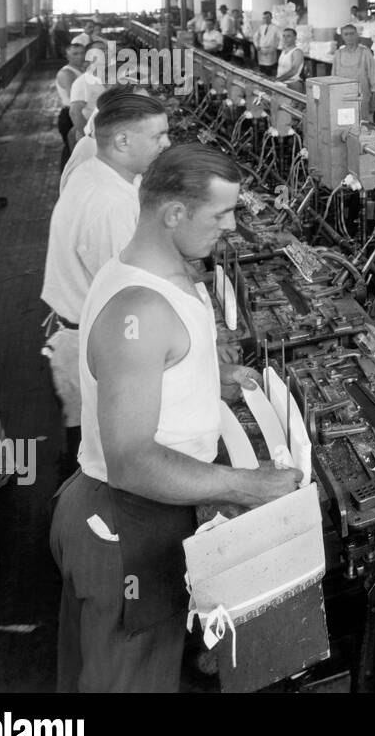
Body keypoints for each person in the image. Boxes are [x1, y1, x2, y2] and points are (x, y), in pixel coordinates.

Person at [49, 144, 300, 693]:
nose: (231, 227)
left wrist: (209, 378)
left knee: (143, 663)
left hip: (150, 514)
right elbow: (133, 461)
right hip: (122, 526)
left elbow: (153, 375)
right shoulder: (140, 309)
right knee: (126, 680)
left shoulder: (154, 275)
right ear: (174, 213)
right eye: (221, 214)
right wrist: (248, 486)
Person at [41, 93, 171, 446]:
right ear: (123, 140)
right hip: (94, 346)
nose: (167, 143)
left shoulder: (99, 174)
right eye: (158, 136)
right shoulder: (109, 204)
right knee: (100, 452)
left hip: (83, 330)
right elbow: (131, 299)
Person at [332, 24, 375, 120]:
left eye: (352, 34)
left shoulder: (365, 53)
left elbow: (374, 75)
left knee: (362, 124)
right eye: (346, 34)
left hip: (362, 97)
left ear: (357, 35)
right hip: (342, 97)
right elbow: (333, 77)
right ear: (342, 37)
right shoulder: (338, 54)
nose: (349, 37)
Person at [66, 44, 109, 145]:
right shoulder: (83, 82)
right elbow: (74, 112)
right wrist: (89, 137)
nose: (106, 53)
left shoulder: (112, 78)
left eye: (106, 50)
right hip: (93, 137)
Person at [55, 52, 85, 167]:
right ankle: (67, 180)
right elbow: (73, 97)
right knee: (72, 150)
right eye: (75, 54)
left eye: (81, 53)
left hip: (75, 112)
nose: (80, 56)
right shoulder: (67, 73)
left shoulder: (80, 71)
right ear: (67, 56)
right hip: (70, 114)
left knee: (73, 149)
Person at [253, 11, 280, 75]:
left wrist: (275, 47)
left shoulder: (275, 28)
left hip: (270, 50)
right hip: (261, 50)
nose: (266, 19)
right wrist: (256, 45)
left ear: (271, 18)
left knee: (269, 68)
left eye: (267, 17)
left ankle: (268, 81)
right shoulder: (261, 27)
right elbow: (255, 37)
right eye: (264, 18)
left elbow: (281, 38)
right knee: (262, 68)